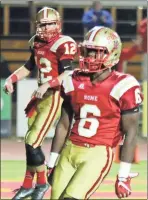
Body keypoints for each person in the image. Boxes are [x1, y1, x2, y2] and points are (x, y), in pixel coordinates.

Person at [47, 26, 143, 199]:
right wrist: (52, 162)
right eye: (87, 51)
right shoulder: (72, 80)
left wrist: (123, 175)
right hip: (69, 150)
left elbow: (131, 133)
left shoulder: (123, 85)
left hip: (98, 152)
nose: (89, 57)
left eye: (96, 52)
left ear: (112, 54)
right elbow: (63, 124)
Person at [4, 7, 77, 200]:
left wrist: (47, 85)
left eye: (48, 24)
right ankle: (28, 185)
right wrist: (11, 78)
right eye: (41, 24)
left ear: (57, 24)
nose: (44, 28)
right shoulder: (36, 42)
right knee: (30, 140)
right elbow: (29, 66)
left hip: (54, 95)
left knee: (32, 140)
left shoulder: (64, 43)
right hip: (40, 96)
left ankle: (42, 184)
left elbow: (68, 73)